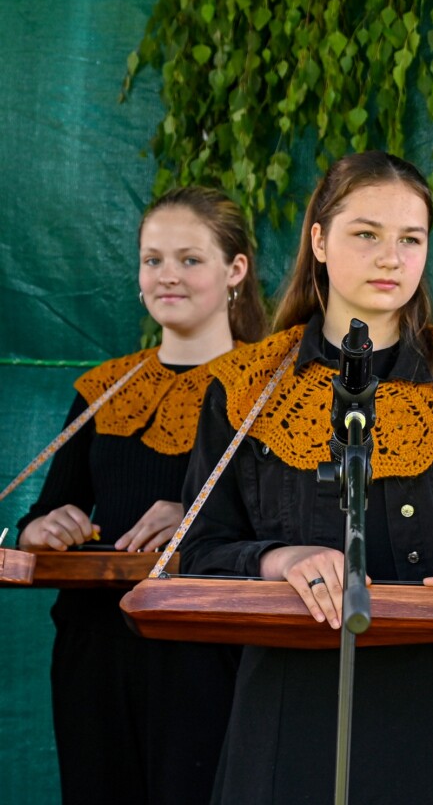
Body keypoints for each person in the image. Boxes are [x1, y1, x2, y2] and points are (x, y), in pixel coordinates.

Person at [178, 151, 433, 805]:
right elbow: (198, 551)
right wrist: (279, 559)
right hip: (286, 718)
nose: (390, 258)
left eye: (410, 239)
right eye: (367, 234)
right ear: (319, 241)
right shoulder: (244, 385)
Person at [14, 186, 266, 804]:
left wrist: (203, 518)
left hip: (211, 650)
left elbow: (298, 527)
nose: (167, 276)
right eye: (153, 260)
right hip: (96, 651)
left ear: (235, 270)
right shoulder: (102, 389)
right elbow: (44, 511)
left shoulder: (271, 392)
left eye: (189, 259)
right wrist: (40, 530)